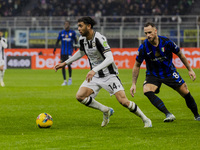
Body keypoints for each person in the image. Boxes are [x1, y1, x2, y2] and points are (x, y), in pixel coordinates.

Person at [54, 16, 152, 128]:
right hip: (95, 76)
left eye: (81, 26)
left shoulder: (99, 38)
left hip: (109, 75)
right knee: (80, 96)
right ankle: (105, 110)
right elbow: (81, 52)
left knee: (123, 101)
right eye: (78, 26)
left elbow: (110, 58)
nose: (79, 29)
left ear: (89, 26)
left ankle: (146, 119)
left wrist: (94, 70)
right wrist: (65, 63)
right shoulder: (82, 39)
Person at [130, 22, 200, 122]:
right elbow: (137, 65)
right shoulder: (143, 47)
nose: (148, 35)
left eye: (149, 32)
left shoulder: (166, 42)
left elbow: (180, 54)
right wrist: (133, 84)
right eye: (145, 33)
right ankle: (168, 114)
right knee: (146, 90)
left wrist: (190, 70)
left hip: (169, 72)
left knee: (185, 92)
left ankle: (197, 115)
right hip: (153, 74)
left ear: (155, 31)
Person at [53, 21, 77, 86]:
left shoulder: (72, 32)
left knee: (69, 65)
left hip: (69, 52)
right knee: (62, 66)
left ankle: (70, 79)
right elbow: (57, 41)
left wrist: (75, 47)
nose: (66, 25)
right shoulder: (61, 33)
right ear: (64, 25)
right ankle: (64, 81)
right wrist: (54, 49)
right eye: (65, 24)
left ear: (69, 25)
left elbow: (76, 40)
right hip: (62, 52)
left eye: (67, 24)